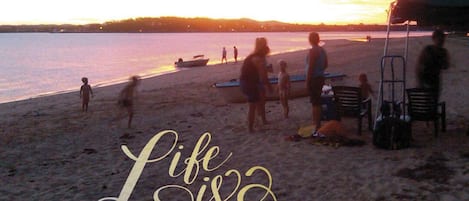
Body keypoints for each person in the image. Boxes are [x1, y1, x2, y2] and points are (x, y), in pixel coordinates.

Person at [240, 37, 272, 132]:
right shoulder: (258, 59)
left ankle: (262, 120)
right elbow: (263, 77)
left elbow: (258, 73)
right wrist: (269, 87)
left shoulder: (252, 56)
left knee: (260, 101)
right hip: (249, 83)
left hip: (247, 81)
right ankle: (250, 128)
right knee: (252, 105)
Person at [416, 29, 450, 99]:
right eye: (440, 40)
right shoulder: (428, 50)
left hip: (435, 80)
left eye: (442, 40)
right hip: (426, 79)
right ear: (434, 39)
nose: (441, 42)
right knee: (429, 101)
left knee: (433, 101)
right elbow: (419, 66)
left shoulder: (443, 52)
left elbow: (446, 66)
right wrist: (420, 81)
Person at [306, 32, 328, 135]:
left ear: (310, 39)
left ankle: (316, 124)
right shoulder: (322, 50)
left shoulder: (313, 51)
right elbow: (326, 64)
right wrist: (320, 70)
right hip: (320, 77)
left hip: (314, 78)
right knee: (317, 101)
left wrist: (308, 80)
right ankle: (317, 123)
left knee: (315, 103)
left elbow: (310, 67)